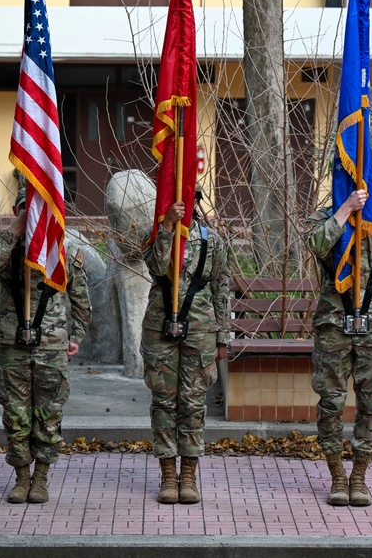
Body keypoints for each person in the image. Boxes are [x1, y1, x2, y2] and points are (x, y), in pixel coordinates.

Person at [0, 190, 91, 505]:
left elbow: (81, 297)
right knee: (16, 416)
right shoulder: (3, 244)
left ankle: (41, 478)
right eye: (24, 210)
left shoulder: (63, 248)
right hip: (12, 343)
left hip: (52, 343)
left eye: (37, 210)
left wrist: (77, 335)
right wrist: (17, 228)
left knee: (48, 414)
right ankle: (21, 478)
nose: (31, 216)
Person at [303, 188, 372, 507]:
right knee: (331, 402)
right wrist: (345, 210)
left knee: (370, 403)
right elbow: (317, 245)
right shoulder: (324, 218)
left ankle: (359, 476)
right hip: (333, 322)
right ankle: (336, 475)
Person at [141, 186, 231, 505]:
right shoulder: (155, 234)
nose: (183, 204)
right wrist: (166, 226)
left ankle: (189, 474)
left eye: (188, 198)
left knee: (193, 404)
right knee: (164, 403)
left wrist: (223, 337)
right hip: (159, 326)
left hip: (200, 331)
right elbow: (155, 266)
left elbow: (222, 288)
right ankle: (168, 473)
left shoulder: (212, 240)